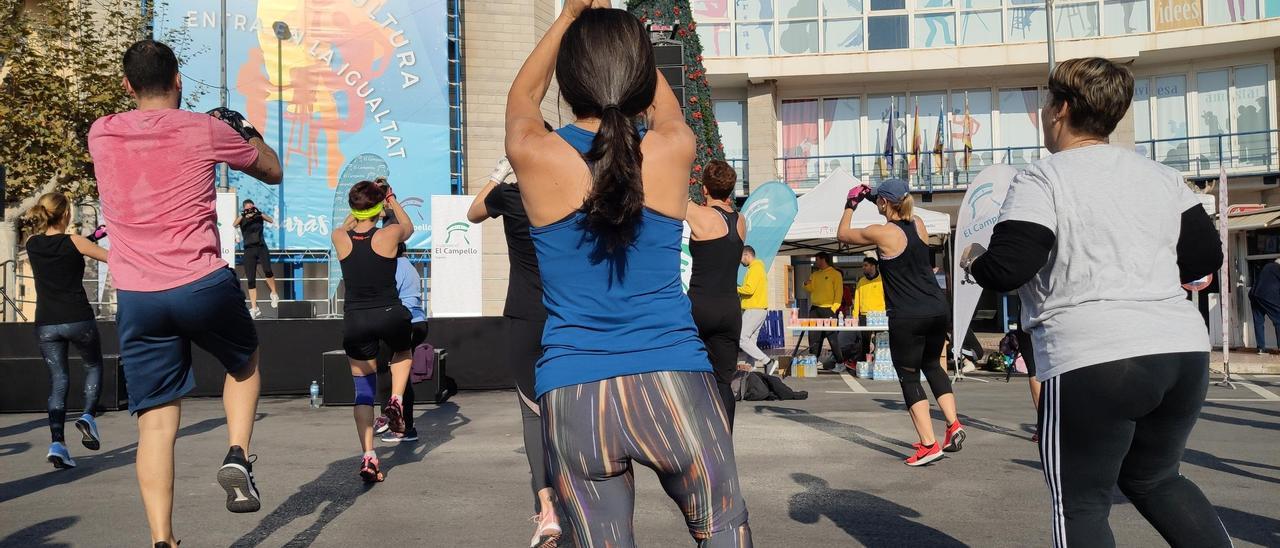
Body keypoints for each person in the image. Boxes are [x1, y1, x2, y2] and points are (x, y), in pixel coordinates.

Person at [505, 3, 751, 546]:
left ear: (568, 84)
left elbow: (521, 99)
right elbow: (667, 110)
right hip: (674, 381)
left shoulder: (534, 152)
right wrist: (637, 50)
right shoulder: (671, 148)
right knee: (725, 530)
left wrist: (569, 16)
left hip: (575, 394)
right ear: (642, 76)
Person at [963, 57, 1230, 547]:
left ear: (1060, 108)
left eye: (1045, 104)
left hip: (1094, 355)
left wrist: (973, 259)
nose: (1044, 114)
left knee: (1081, 502)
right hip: (1182, 352)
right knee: (1157, 478)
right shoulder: (1162, 177)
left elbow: (1009, 269)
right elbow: (1203, 261)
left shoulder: (1043, 178)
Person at [89, 39, 282, 547]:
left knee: (155, 422)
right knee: (244, 362)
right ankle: (237, 452)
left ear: (127, 86)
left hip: (137, 295)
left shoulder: (101, 132)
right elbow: (272, 170)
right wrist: (244, 129)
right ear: (179, 81)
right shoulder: (204, 129)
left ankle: (162, 540)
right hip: (200, 283)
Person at [467, 155, 562, 548]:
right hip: (569, 312)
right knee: (574, 409)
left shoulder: (510, 195)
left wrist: (499, 172)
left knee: (532, 414)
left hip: (525, 312)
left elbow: (473, 212)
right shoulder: (566, 194)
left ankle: (547, 510)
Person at [837, 178, 966, 466]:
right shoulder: (918, 223)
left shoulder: (882, 234)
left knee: (909, 377)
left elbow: (843, 234)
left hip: (908, 315)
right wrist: (873, 197)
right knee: (932, 365)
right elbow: (893, 208)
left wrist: (851, 204)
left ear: (884, 204)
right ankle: (953, 424)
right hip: (936, 308)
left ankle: (929, 444)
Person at [333, 181, 415, 483]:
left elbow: (351, 223)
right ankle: (395, 398)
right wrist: (390, 199)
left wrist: (364, 206)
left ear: (353, 208)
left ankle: (368, 455)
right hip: (389, 314)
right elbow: (408, 226)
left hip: (356, 320)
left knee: (363, 393)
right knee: (403, 351)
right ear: (379, 207)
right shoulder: (389, 234)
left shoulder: (339, 237)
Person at [24, 192, 109, 469]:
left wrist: (89, 239)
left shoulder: (33, 244)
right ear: (66, 215)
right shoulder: (75, 241)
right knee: (93, 365)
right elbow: (111, 257)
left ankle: (57, 443)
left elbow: (59, 248)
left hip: (46, 323)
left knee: (58, 381)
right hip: (77, 319)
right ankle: (87, 416)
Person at [687, 160, 747, 426]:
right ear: (731, 190)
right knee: (723, 381)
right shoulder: (741, 220)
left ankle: (697, 442)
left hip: (700, 306)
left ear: (704, 189)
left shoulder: (700, 215)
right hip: (730, 309)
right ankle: (724, 447)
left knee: (691, 377)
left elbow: (667, 195)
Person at [375, 241, 426, 444]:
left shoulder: (395, 266)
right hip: (416, 321)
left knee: (385, 369)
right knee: (400, 374)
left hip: (403, 321)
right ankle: (405, 426)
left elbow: (389, 298)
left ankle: (392, 420)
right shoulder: (408, 265)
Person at [233, 199, 279, 318]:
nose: (250, 210)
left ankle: (274, 293)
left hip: (261, 247)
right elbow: (234, 224)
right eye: (248, 208)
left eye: (252, 207)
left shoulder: (258, 216)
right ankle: (254, 308)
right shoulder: (242, 219)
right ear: (244, 208)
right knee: (251, 279)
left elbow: (270, 220)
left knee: (268, 270)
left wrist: (258, 213)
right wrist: (244, 214)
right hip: (249, 250)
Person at [738, 245, 775, 375]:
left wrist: (735, 288)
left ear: (747, 255)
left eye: (740, 257)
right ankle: (751, 367)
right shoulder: (759, 268)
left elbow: (749, 289)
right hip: (760, 309)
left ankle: (767, 361)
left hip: (753, 308)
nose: (740, 261)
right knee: (750, 340)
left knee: (741, 338)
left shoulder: (754, 269)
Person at [803, 252, 844, 368]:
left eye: (816, 259)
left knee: (832, 337)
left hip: (828, 309)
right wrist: (805, 284)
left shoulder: (835, 274)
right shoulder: (814, 274)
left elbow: (839, 292)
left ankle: (840, 363)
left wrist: (834, 308)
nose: (815, 262)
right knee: (813, 336)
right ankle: (813, 361)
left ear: (823, 260)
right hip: (815, 309)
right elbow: (811, 288)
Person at [850, 256, 885, 366]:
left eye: (866, 265)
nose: (863, 268)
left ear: (873, 266)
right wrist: (855, 315)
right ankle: (864, 364)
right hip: (864, 316)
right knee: (865, 341)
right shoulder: (861, 281)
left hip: (880, 316)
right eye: (863, 266)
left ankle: (879, 363)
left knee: (880, 341)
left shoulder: (883, 280)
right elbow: (857, 298)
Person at [1248, 259, 1280, 354]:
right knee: (1279, 319)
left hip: (1254, 294)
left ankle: (1261, 348)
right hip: (1266, 295)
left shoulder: (1267, 266)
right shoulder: (1277, 268)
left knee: (1258, 322)